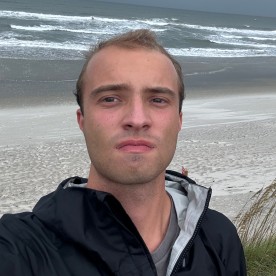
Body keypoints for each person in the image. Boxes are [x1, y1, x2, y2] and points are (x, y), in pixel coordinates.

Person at [0, 29, 246, 275]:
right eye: (110, 99)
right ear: (82, 120)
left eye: (158, 100)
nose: (137, 119)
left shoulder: (218, 238)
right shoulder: (21, 248)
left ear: (179, 121)